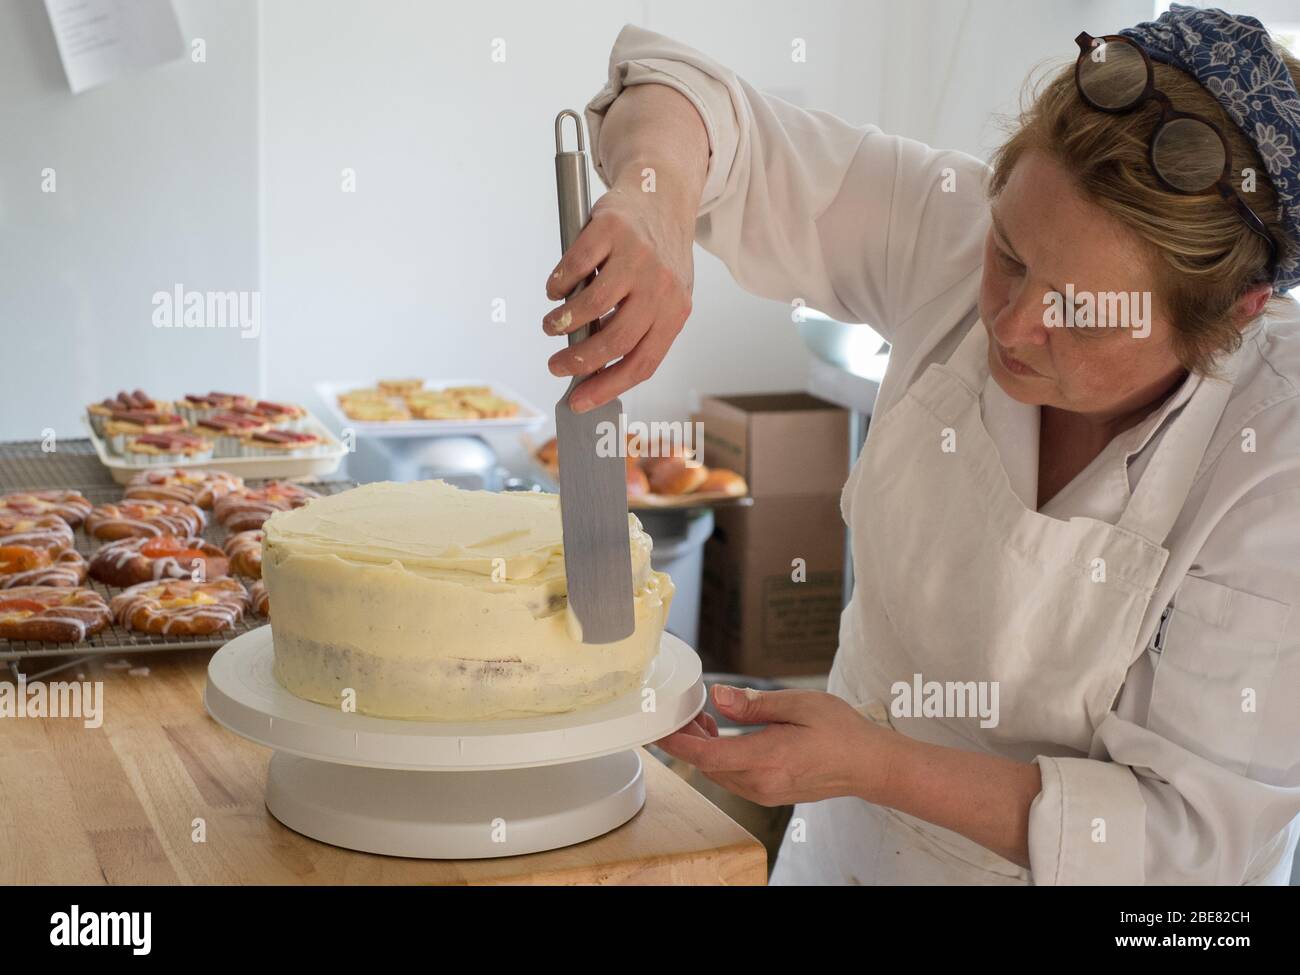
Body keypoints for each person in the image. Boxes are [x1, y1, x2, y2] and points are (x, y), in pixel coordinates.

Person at [543, 5, 1300, 884]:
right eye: (1009, 255)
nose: (1012, 325)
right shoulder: (947, 227)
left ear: (1231, 319)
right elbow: (684, 92)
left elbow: (1191, 840)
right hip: (845, 851)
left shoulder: (1273, 455)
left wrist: (878, 762)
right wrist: (657, 200)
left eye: (1082, 313)